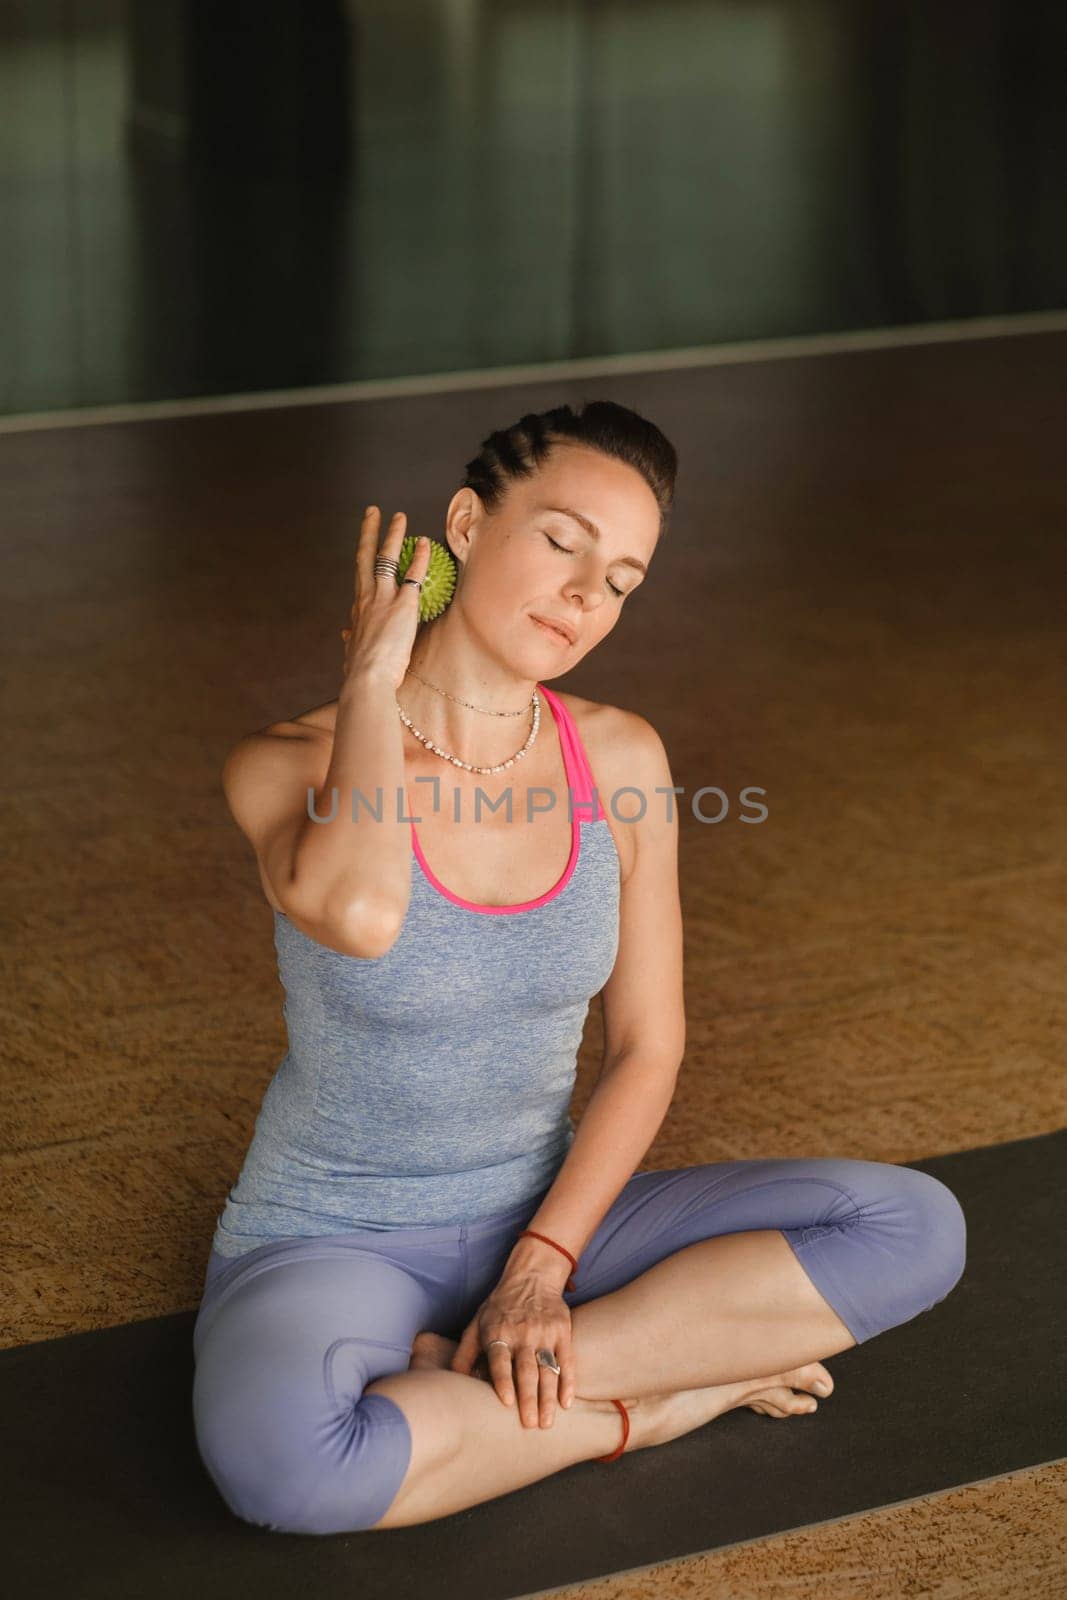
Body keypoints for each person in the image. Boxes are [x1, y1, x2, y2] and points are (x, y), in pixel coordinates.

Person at [191, 400, 967, 1536]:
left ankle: (506, 1380)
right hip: (332, 1230)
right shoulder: (285, 763)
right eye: (561, 541)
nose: (582, 596)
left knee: (915, 1227)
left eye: (619, 580)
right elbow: (357, 911)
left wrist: (540, 1266)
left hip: (558, 1216)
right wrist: (371, 678)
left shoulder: (621, 756)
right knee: (284, 1470)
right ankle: (652, 1403)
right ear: (465, 521)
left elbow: (649, 1045)